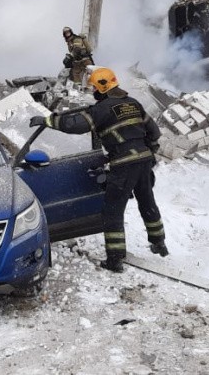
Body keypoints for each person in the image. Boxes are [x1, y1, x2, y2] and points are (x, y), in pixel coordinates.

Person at [30, 67, 167, 272]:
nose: (93, 91)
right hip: (144, 161)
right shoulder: (133, 104)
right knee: (147, 201)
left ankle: (115, 260)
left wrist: (48, 120)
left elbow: (75, 125)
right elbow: (154, 133)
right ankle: (159, 244)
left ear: (102, 87)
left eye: (94, 87)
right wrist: (149, 154)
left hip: (123, 165)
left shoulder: (102, 109)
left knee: (112, 211)